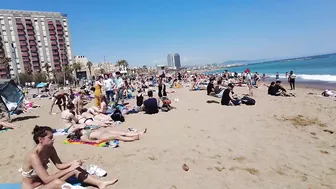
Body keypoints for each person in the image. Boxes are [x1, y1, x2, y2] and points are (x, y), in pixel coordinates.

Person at [20, 125, 117, 189]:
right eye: (50, 138)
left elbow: (59, 165)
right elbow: (47, 179)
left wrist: (73, 163)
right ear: (40, 139)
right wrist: (70, 168)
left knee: (75, 170)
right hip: (34, 187)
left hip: (43, 184)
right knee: (57, 182)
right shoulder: (33, 156)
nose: (53, 139)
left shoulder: (50, 148)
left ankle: (100, 183)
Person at [68, 126, 147, 143]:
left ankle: (139, 132)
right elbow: (89, 141)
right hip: (101, 136)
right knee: (117, 136)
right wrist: (97, 142)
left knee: (123, 132)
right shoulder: (82, 137)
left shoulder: (84, 130)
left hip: (104, 132)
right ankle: (134, 138)